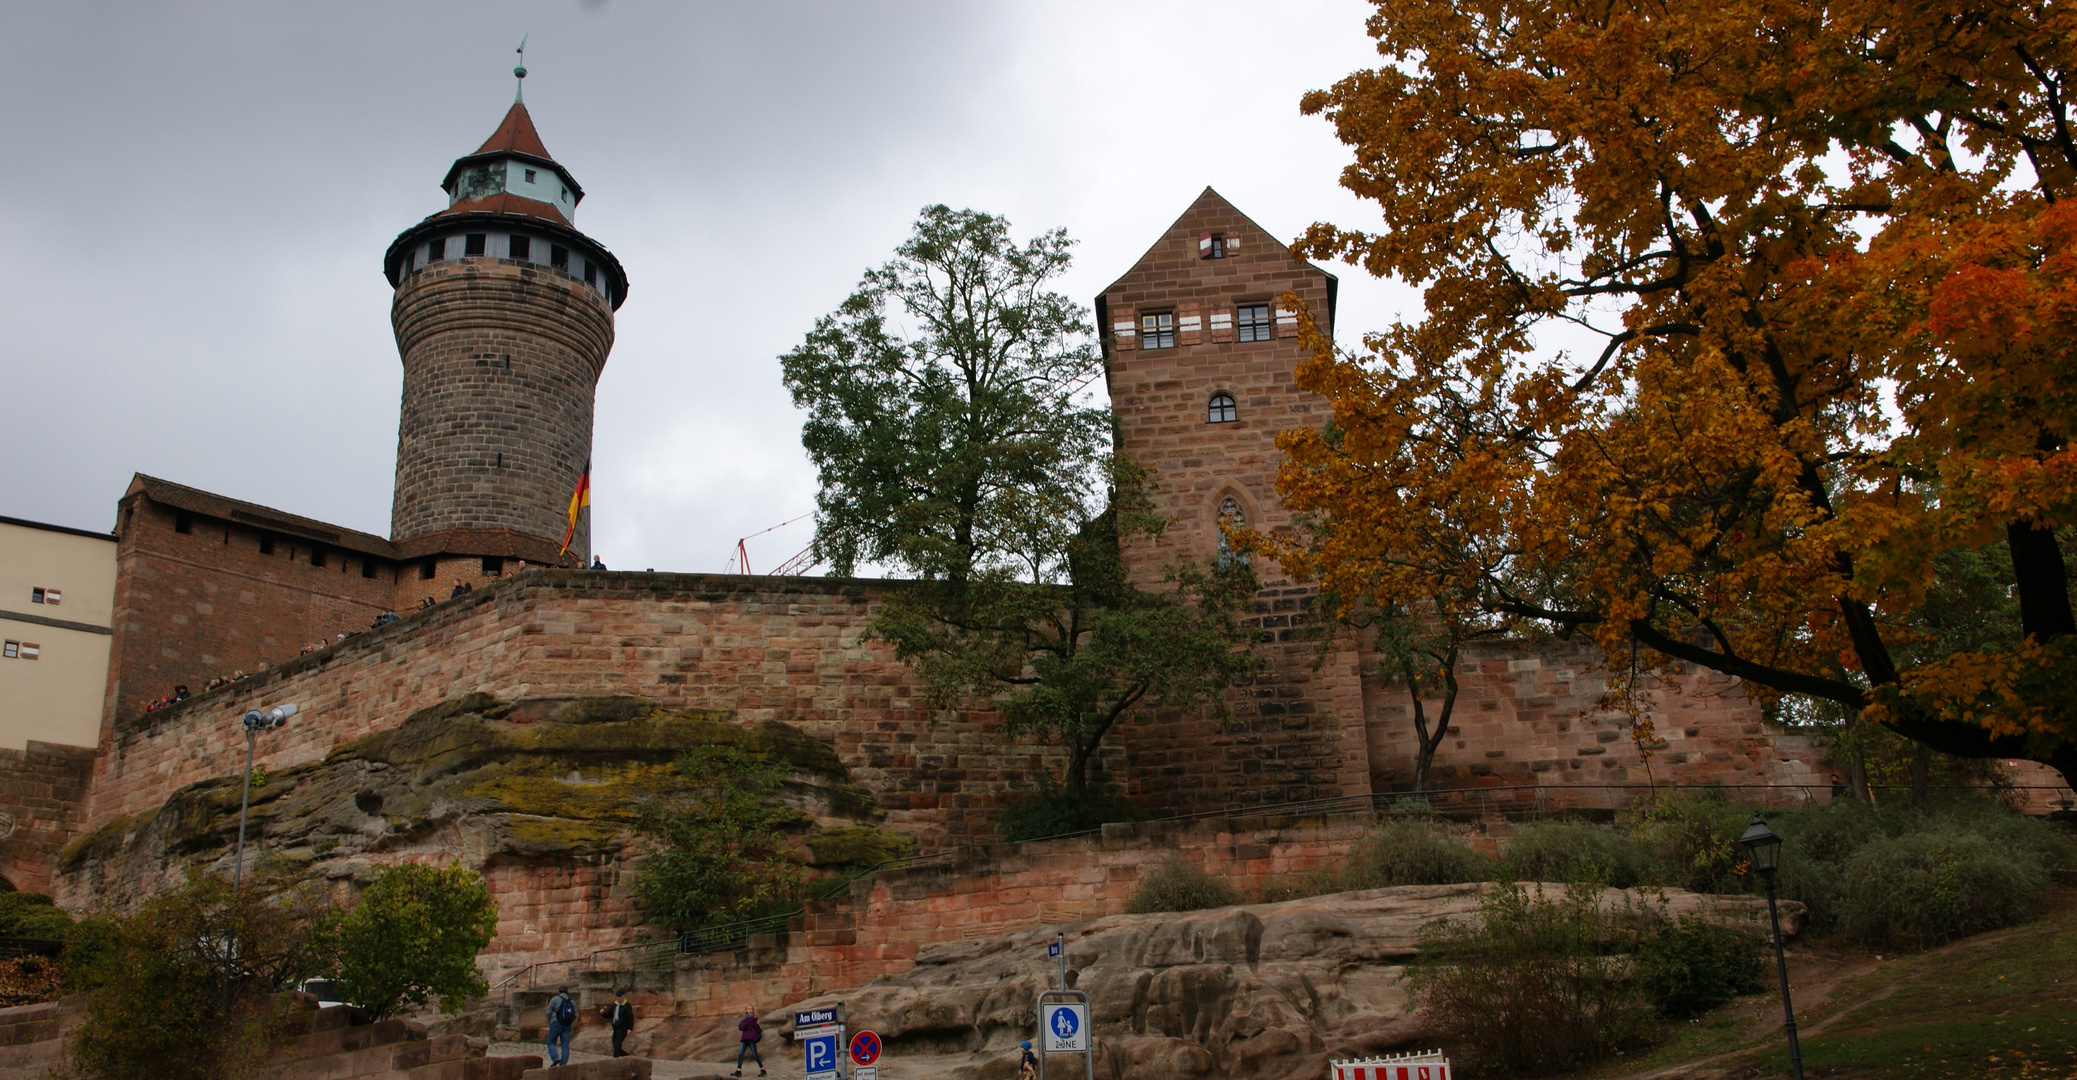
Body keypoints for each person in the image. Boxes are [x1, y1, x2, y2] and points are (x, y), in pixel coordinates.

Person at [544, 986, 575, 1067]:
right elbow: (575, 1014)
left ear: (559, 991)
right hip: (567, 1025)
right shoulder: (571, 1001)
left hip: (556, 1023)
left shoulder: (555, 999)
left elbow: (548, 1012)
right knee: (565, 1045)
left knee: (551, 1042)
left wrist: (550, 1021)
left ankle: (555, 1058)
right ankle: (563, 1064)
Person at [600, 990, 635, 1058]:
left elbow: (630, 1018)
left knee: (617, 1044)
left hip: (623, 1027)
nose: (619, 998)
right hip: (615, 1027)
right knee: (616, 1045)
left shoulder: (627, 1006)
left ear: (623, 996)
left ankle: (615, 1060)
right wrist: (603, 1013)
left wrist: (629, 1028)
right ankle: (628, 1057)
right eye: (618, 997)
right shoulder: (614, 1005)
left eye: (621, 997)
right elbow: (609, 1015)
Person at [733, 1008, 764, 1077]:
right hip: (744, 1038)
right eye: (748, 1009)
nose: (749, 1011)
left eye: (751, 1009)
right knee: (740, 1053)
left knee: (755, 1054)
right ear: (746, 1010)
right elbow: (740, 1027)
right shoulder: (746, 1018)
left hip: (751, 1038)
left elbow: (744, 1025)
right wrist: (744, 1023)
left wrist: (744, 1024)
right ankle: (738, 1070)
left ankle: (762, 1069)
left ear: (753, 1011)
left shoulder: (752, 1018)